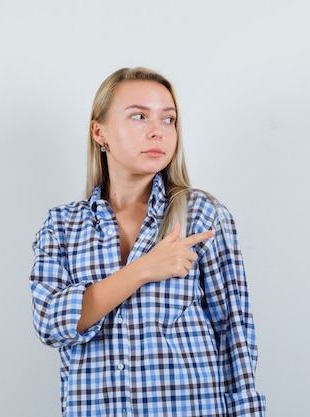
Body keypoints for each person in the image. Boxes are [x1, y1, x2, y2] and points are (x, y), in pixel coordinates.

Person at [29, 67, 266, 416]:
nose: (158, 131)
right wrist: (143, 269)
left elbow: (234, 336)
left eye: (168, 119)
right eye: (139, 116)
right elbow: (50, 322)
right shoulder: (63, 225)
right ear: (100, 132)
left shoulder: (200, 215)